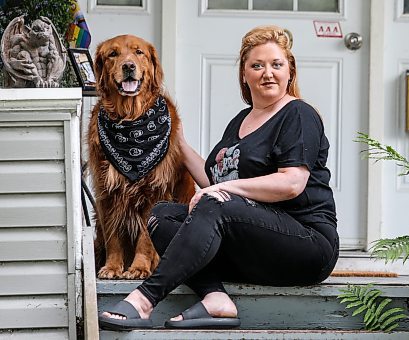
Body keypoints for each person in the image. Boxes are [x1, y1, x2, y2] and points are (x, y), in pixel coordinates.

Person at [98, 24, 339, 331]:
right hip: (253, 248)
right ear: (243, 74)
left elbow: (292, 183)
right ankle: (215, 298)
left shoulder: (298, 114)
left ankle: (144, 300)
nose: (268, 73)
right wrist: (178, 143)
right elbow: (214, 183)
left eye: (276, 65)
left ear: (289, 71)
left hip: (305, 246)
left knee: (216, 203)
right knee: (163, 216)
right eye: (257, 65)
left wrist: (225, 189)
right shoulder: (242, 120)